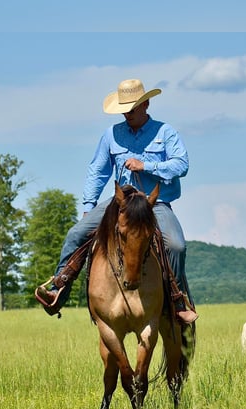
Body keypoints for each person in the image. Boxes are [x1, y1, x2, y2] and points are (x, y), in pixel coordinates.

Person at [35, 78, 197, 324]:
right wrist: (89, 207)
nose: (127, 114)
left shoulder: (165, 132)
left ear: (146, 104)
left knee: (176, 245)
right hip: (120, 202)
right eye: (124, 109)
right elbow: (97, 171)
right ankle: (58, 289)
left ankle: (176, 300)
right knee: (76, 233)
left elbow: (181, 165)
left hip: (156, 203)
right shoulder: (111, 135)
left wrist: (147, 165)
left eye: (132, 109)